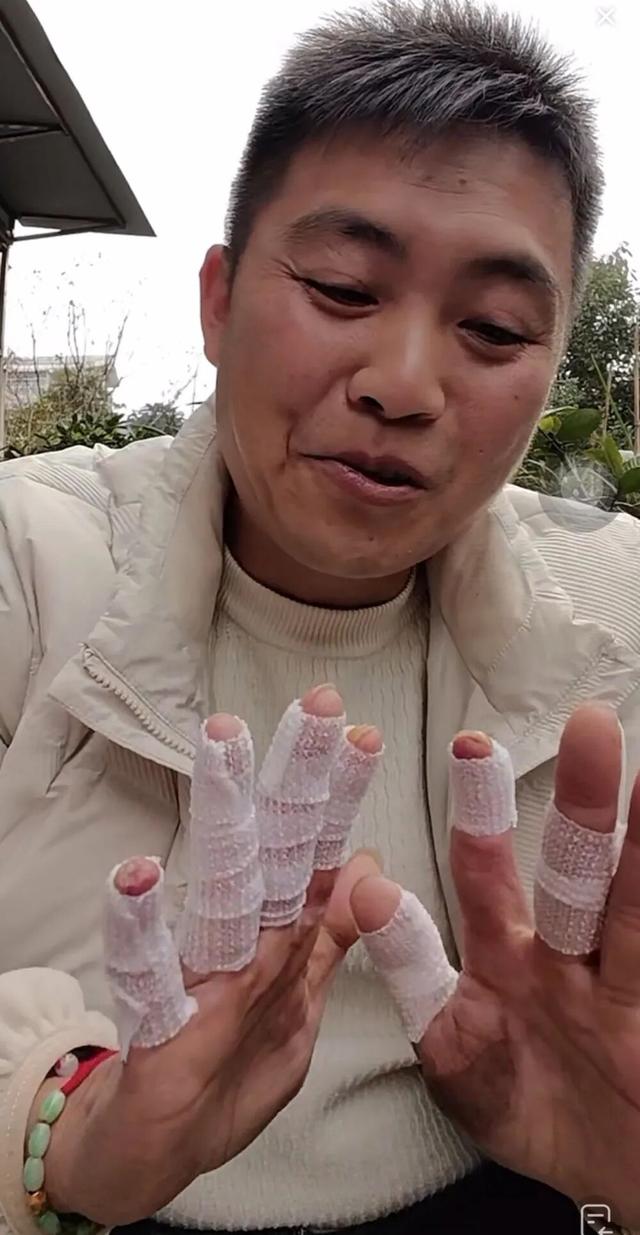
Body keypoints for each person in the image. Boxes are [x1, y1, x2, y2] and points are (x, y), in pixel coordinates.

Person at [1, 1, 639, 1233]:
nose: (402, 384)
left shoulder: (615, 613)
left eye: (493, 329)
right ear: (218, 301)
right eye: (343, 288)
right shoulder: (28, 567)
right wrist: (59, 1135)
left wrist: (621, 1174)